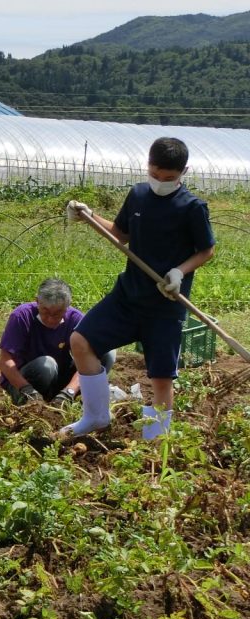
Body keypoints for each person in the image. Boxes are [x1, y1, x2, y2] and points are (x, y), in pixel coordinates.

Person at [63, 136, 215, 439]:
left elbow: (206, 250)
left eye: (169, 178)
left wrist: (179, 272)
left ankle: (154, 439)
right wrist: (89, 216)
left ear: (184, 172)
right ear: (148, 166)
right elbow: (120, 234)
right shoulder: (138, 195)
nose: (160, 182)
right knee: (80, 341)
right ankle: (95, 417)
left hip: (165, 305)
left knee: (161, 378)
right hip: (128, 296)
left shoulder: (192, 207)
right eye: (155, 174)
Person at [0, 278, 115, 406]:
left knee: (106, 352)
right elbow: (5, 361)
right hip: (24, 381)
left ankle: (72, 399)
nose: (51, 319)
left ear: (67, 306)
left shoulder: (76, 319)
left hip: (59, 378)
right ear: (37, 302)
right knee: (47, 365)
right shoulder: (21, 316)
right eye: (45, 311)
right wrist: (27, 389)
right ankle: (31, 402)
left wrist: (69, 391)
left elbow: (90, 357)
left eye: (58, 313)